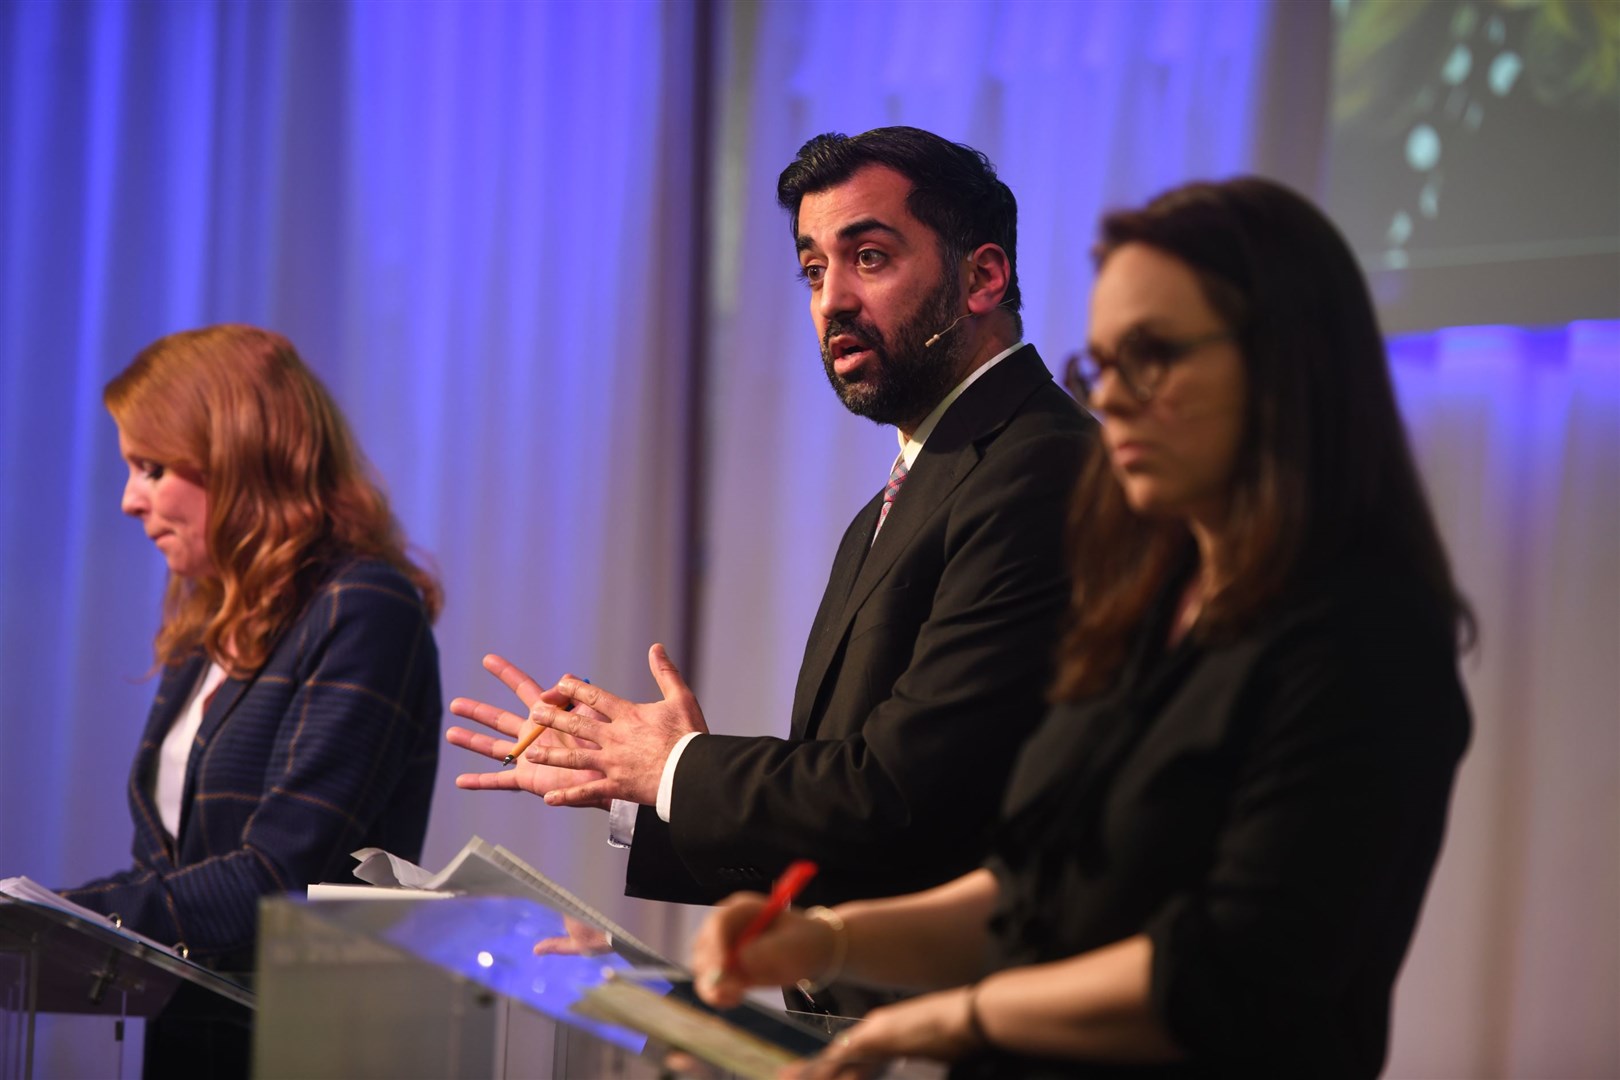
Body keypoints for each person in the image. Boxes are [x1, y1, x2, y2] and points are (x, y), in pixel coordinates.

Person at [689, 176, 1474, 1078]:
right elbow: (1029, 898)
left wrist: (943, 1022)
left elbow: (1228, 977)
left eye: (1157, 354)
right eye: (1102, 364)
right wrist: (822, 942)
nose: (1118, 398)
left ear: (1282, 361)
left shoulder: (1365, 640)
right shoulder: (1146, 606)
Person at [446, 127, 1095, 1014]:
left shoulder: (1037, 467)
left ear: (983, 277)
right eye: (813, 271)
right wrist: (639, 782)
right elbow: (845, 820)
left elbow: (900, 800)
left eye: (868, 256)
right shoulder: (900, 497)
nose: (833, 300)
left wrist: (678, 767)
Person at [60, 324, 444, 1075]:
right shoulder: (213, 625)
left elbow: (283, 874)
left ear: (239, 458)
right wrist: (42, 916)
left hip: (303, 1051)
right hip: (189, 1040)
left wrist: (62, 920)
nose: (129, 501)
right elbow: (169, 870)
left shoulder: (364, 609)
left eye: (152, 467)